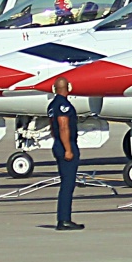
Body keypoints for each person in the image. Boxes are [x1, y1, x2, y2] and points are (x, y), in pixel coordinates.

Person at [48, 77, 83, 231]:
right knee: (68, 184)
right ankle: (64, 219)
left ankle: (64, 218)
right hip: (66, 144)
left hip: (58, 143)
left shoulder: (52, 105)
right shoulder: (63, 105)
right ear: (68, 87)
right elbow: (63, 127)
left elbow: (52, 127)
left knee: (66, 183)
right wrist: (68, 149)